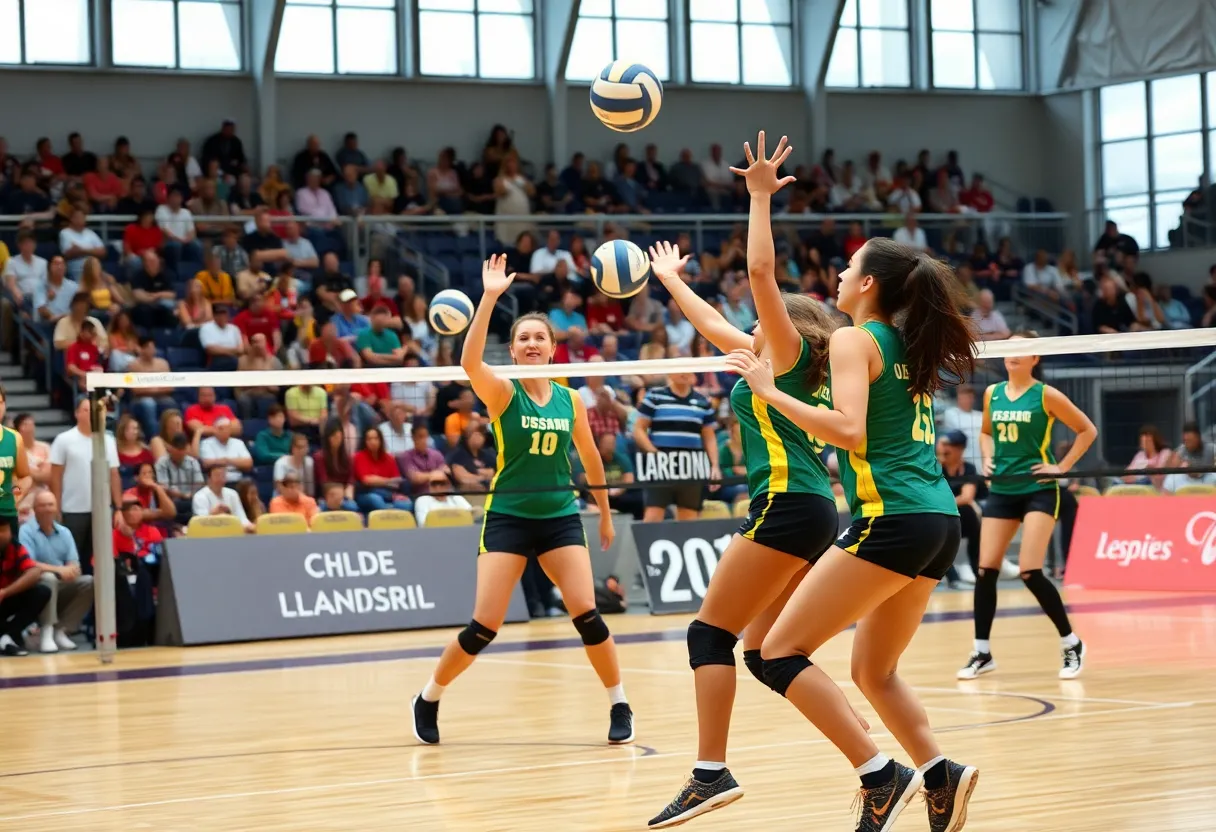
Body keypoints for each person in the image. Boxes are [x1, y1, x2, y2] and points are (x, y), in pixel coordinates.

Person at [719, 217, 980, 829]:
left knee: (775, 652)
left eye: (847, 268)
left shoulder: (852, 340)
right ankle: (940, 774)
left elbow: (849, 430)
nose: (836, 276)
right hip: (939, 519)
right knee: (873, 671)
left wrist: (770, 391)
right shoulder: (903, 343)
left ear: (867, 284)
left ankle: (881, 777)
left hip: (891, 518)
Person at [645, 133, 842, 829]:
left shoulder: (783, 354)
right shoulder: (760, 357)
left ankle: (709, 773)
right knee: (764, 651)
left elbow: (761, 274)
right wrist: (670, 281)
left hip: (789, 506)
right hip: (807, 506)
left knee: (708, 636)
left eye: (763, 319)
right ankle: (877, 766)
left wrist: (758, 197)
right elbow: (710, 322)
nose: (750, 325)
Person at [410, 255, 632, 747]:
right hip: (508, 515)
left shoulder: (570, 399)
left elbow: (591, 460)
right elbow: (469, 362)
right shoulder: (501, 391)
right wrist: (489, 296)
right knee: (483, 625)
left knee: (587, 613)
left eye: (540, 338)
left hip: (559, 516)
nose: (532, 344)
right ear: (512, 351)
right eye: (524, 339)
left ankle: (619, 702)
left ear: (552, 349)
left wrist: (605, 515)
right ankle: (428, 696)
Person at [959, 332, 1097, 683]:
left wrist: (1062, 467)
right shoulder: (992, 393)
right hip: (1003, 488)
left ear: (1036, 358)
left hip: (1038, 488)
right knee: (985, 570)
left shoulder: (1045, 395)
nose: (1012, 355)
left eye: (1020, 350)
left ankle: (1071, 642)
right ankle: (982, 651)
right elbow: (987, 433)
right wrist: (987, 459)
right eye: (1007, 349)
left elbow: (1087, 430)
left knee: (1029, 570)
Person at [0, 385, 31, 539]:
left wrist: (16, 495)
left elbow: (25, 476)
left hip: (7, 513)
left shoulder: (14, 438)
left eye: (0, 402)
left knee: (10, 562)